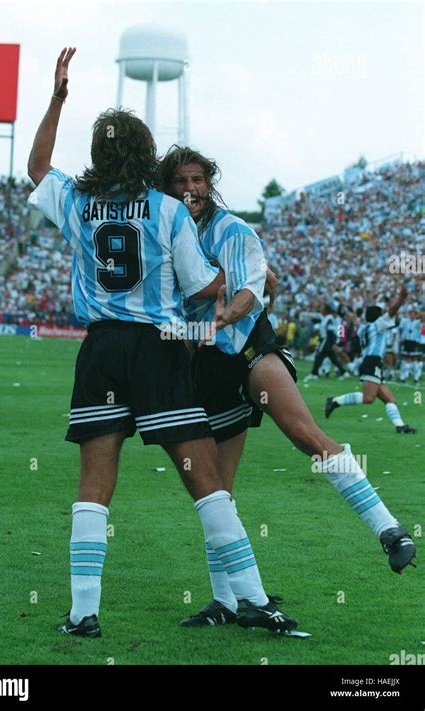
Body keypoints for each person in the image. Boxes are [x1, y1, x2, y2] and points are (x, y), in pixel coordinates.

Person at [27, 49, 296, 637]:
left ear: (98, 154)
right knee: (202, 475)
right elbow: (202, 284)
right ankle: (251, 598)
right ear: (147, 155)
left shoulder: (75, 200)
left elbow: (37, 166)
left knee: (95, 485)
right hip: (160, 346)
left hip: (100, 351)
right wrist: (245, 276)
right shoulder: (169, 208)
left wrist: (57, 99)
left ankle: (82, 614)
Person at [159, 146, 416, 626]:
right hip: (205, 364)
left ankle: (390, 530)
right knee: (217, 490)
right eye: (179, 181)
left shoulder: (233, 228)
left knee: (304, 434)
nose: (189, 189)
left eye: (196, 179)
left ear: (209, 183)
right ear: (167, 187)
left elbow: (251, 291)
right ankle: (227, 602)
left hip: (249, 345)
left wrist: (227, 311)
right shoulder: (163, 230)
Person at [325, 287, 417, 434]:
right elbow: (392, 312)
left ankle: (400, 426)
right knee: (369, 398)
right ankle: (335, 401)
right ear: (378, 317)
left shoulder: (364, 328)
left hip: (371, 361)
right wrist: (401, 298)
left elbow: (394, 319)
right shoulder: (378, 325)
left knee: (390, 399)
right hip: (372, 362)